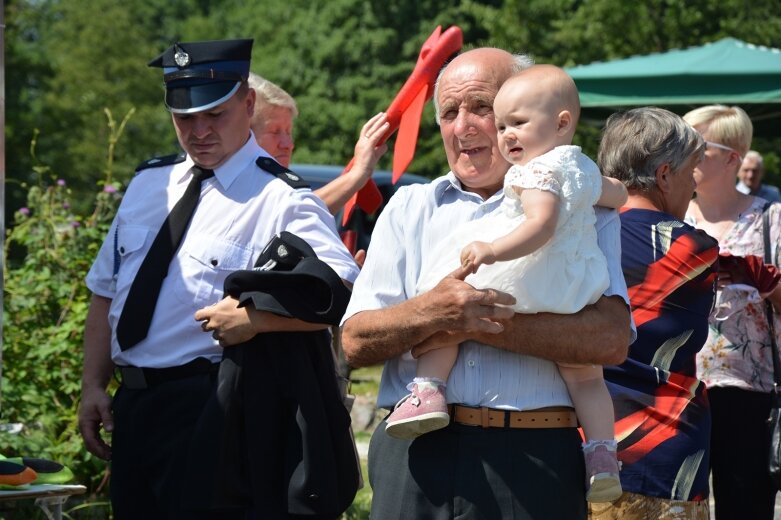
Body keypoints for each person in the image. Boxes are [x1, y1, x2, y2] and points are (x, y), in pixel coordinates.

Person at [340, 48, 634, 520]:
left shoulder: (582, 203)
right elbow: (354, 341)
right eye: (449, 113)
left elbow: (610, 338)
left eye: (482, 107)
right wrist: (433, 312)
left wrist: (476, 320)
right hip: (415, 456)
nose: (464, 126)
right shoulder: (409, 206)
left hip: (536, 458)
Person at [77, 39, 359, 519]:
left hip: (213, 408)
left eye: (215, 115)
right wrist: (93, 386)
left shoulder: (281, 198)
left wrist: (257, 318)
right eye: (185, 118)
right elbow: (107, 291)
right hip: (135, 404)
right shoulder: (150, 182)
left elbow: (340, 291)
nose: (199, 131)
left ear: (248, 104)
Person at [588, 107, 718, 519]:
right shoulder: (694, 249)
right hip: (665, 449)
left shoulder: (575, 233)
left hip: (582, 447)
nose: (694, 185)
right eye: (691, 171)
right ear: (664, 175)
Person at [683, 104, 781, 519]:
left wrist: (762, 280)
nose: (682, 156)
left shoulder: (769, 218)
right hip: (675, 389)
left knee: (745, 505)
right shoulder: (670, 216)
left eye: (696, 147)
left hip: (748, 390)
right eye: (678, 145)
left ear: (732, 158)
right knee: (676, 506)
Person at [248, 72, 389, 215]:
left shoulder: (277, 187)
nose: (288, 144)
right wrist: (358, 173)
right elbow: (297, 213)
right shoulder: (237, 188)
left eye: (289, 132)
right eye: (275, 131)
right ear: (243, 133)